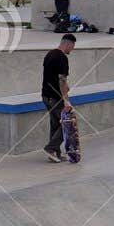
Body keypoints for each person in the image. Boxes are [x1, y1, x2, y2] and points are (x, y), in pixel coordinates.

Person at [41, 33, 76, 163]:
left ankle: (55, 153)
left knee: (55, 125)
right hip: (56, 97)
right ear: (68, 44)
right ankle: (50, 148)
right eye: (72, 47)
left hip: (46, 96)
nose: (72, 50)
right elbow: (61, 79)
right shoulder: (62, 58)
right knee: (67, 124)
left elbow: (51, 76)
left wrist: (66, 87)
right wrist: (66, 100)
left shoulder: (49, 54)